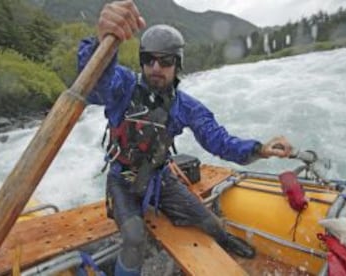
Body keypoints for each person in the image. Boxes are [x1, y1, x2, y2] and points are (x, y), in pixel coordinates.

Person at [77, 1, 293, 275]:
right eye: (149, 59)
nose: (156, 67)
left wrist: (261, 148)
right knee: (134, 238)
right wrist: (101, 41)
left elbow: (220, 142)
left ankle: (224, 238)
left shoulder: (185, 106)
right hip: (123, 179)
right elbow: (94, 82)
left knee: (212, 224)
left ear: (177, 64)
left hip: (160, 178)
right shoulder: (122, 86)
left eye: (165, 60)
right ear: (142, 61)